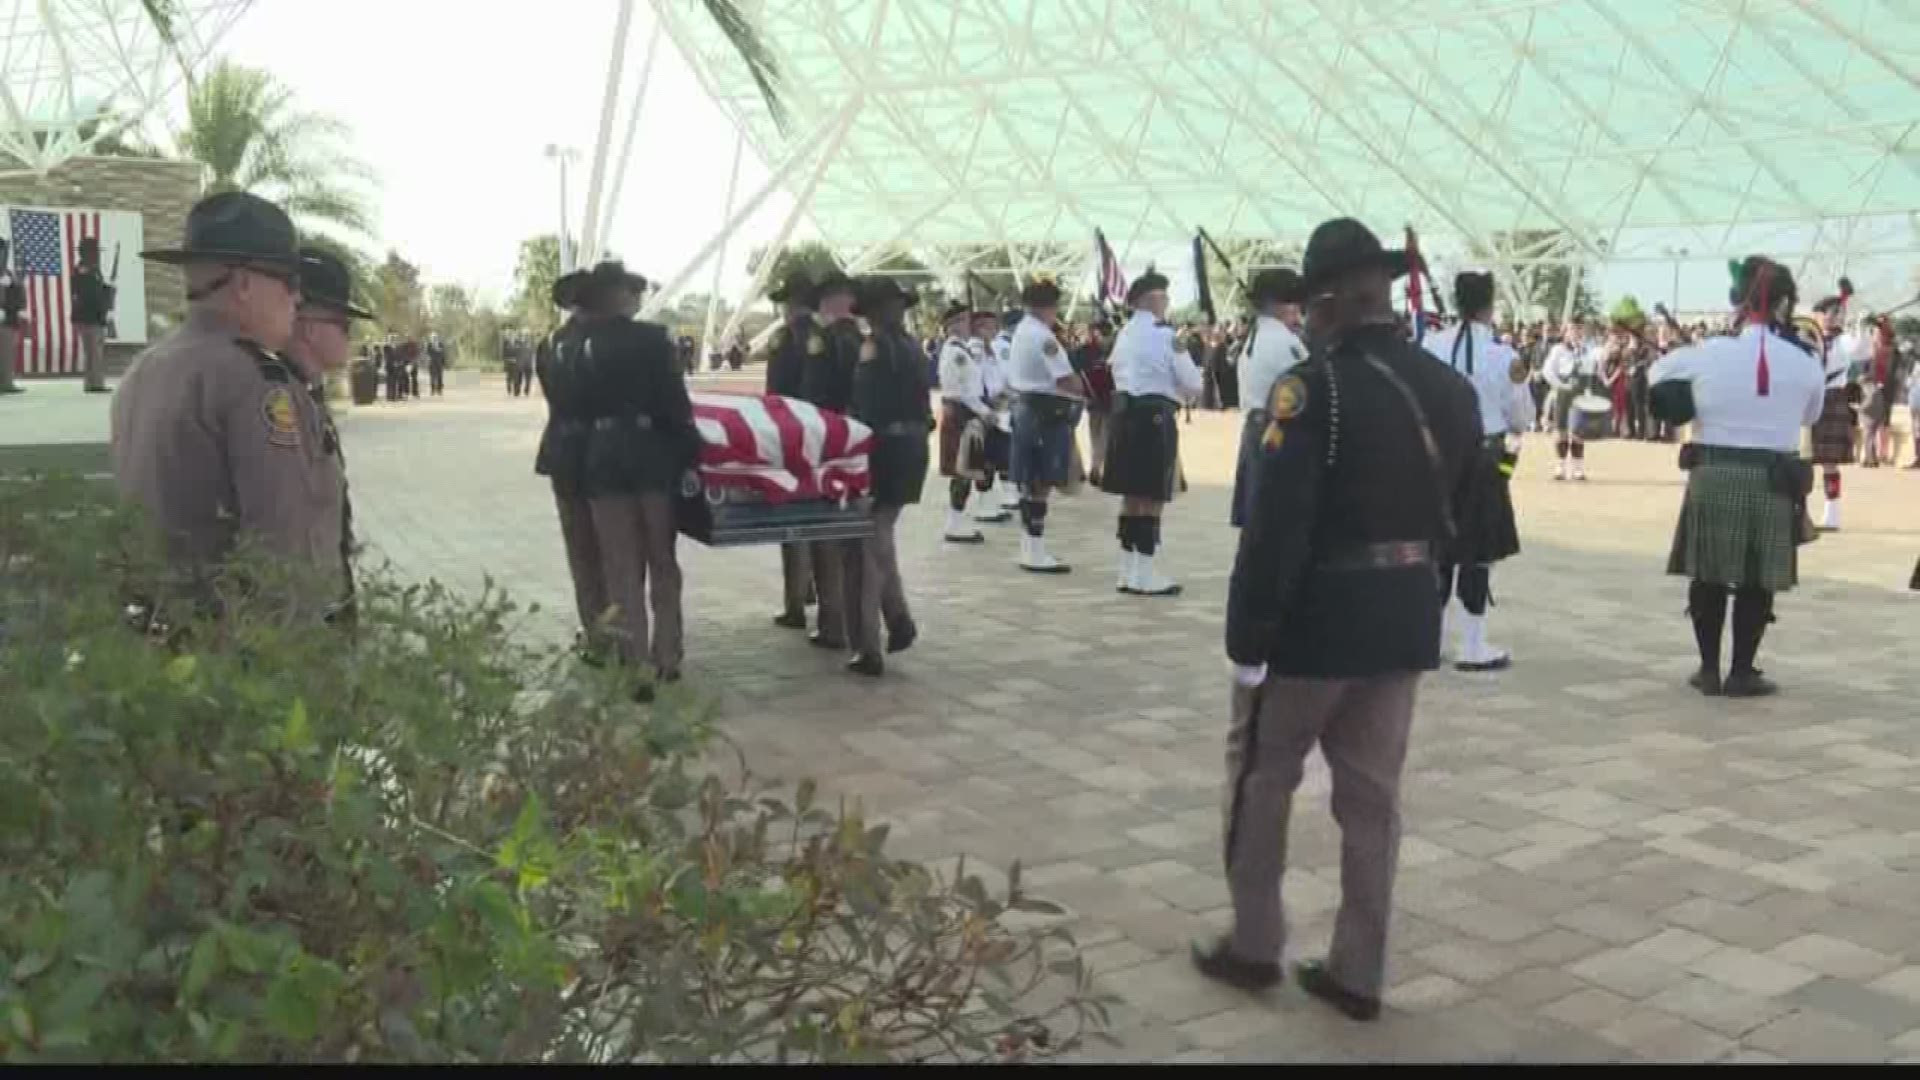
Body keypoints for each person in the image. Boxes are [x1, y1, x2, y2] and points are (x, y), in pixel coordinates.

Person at [1193, 218, 1479, 1023]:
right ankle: (1360, 969)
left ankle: (1255, 943)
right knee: (1372, 801)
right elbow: (1469, 515)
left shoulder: (1310, 390)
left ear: (1322, 306)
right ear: (1381, 295)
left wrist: (1246, 641)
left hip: (1314, 629)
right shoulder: (1448, 389)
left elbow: (1275, 529)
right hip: (1403, 622)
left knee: (1262, 777)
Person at [108, 191, 348, 617]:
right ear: (243, 284)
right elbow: (284, 542)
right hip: (236, 650)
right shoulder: (254, 380)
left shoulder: (145, 368)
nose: (296, 298)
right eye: (289, 282)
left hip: (159, 632)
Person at [1650, 256, 1823, 698]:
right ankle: (1741, 671)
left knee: (1707, 575)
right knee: (1755, 579)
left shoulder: (1704, 354)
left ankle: (1708, 669)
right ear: (1784, 304)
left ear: (1738, 301)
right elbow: (1811, 414)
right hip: (1772, 479)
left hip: (1712, 473)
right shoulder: (1805, 362)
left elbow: (1656, 376)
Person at [569, 261, 697, 698]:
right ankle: (668, 655)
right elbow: (674, 403)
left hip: (603, 460)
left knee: (621, 568)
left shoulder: (579, 346)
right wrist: (690, 455)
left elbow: (577, 407)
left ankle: (636, 664)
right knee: (662, 560)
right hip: (650, 458)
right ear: (624, 296)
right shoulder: (652, 339)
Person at [1422, 271, 1530, 671]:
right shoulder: (1504, 356)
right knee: (1477, 551)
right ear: (1490, 303)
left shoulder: (1430, 345)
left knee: (1438, 551)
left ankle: (1428, 642)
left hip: (1436, 458)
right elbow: (1521, 415)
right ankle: (1472, 644)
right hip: (1486, 458)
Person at [281, 245, 375, 621]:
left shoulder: (305, 389)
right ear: (308, 325)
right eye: (344, 324)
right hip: (307, 605)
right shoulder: (280, 397)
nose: (350, 337)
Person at [844, 277, 930, 677]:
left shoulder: (873, 348)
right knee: (882, 533)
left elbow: (866, 408)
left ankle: (879, 634)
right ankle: (896, 620)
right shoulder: (914, 347)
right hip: (913, 447)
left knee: (872, 537)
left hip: (884, 449)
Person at [1102, 270, 1203, 596]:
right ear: (1155, 300)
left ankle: (1127, 569)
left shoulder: (1124, 334)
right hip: (1154, 418)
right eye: (1166, 297)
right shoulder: (1164, 335)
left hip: (1123, 417)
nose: (1168, 304)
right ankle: (1145, 573)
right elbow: (1193, 383)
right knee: (1152, 496)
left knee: (1131, 496)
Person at [798, 269, 862, 650]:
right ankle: (874, 619)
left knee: (828, 535)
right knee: (861, 538)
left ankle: (834, 621)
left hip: (830, 444)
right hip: (858, 443)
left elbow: (813, 396)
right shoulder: (863, 338)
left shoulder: (824, 340)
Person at [759, 269, 824, 629]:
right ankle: (816, 585)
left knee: (792, 523)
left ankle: (795, 601)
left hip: (792, 435)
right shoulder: (824, 335)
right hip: (823, 435)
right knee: (820, 517)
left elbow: (775, 395)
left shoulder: (784, 339)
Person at [1005, 278, 1083, 573]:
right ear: (1049, 307)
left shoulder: (1023, 330)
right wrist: (1088, 389)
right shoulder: (1043, 337)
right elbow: (1065, 379)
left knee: (1031, 482)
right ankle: (1034, 549)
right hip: (1045, 412)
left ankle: (1029, 546)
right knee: (1041, 482)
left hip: (1027, 408)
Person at [1231, 269, 1309, 528]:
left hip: (1256, 427)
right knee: (1280, 519)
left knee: (1261, 519)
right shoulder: (1285, 342)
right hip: (1278, 430)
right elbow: (1305, 387)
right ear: (1281, 305)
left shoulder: (1258, 335)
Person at [935, 300, 991, 543]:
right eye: (965, 320)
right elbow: (958, 390)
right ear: (953, 324)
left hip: (966, 412)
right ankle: (954, 523)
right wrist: (983, 410)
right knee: (962, 469)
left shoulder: (962, 350)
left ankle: (958, 520)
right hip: (961, 413)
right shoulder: (955, 352)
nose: (970, 325)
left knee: (967, 468)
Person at [1807, 292, 1857, 530]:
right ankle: (1800, 512)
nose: (1831, 317)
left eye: (1836, 313)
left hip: (1832, 397)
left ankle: (1832, 513)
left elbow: (1858, 350)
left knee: (1830, 462)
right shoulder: (1806, 338)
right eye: (1827, 313)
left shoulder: (1845, 340)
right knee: (1802, 459)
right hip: (1807, 398)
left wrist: (1861, 325)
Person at [1542, 321, 1593, 480]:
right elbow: (1547, 371)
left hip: (1580, 393)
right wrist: (1560, 385)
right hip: (1563, 392)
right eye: (1573, 330)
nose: (1577, 333)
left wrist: (1589, 390)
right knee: (1561, 430)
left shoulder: (1586, 350)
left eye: (1580, 330)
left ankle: (1578, 468)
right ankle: (1561, 467)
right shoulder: (1558, 350)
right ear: (1566, 332)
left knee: (1578, 431)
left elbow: (1590, 371)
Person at [73, 236, 114, 392]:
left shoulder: (93, 269)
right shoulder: (83, 269)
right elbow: (88, 293)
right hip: (88, 316)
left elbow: (97, 290)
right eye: (93, 252)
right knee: (93, 352)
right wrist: (103, 309)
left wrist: (107, 287)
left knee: (94, 351)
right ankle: (95, 384)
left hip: (94, 315)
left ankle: (92, 382)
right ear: (86, 253)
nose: (96, 255)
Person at [0, 239, 24, 395]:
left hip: (9, 317)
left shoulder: (7, 273)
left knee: (7, 353)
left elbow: (18, 292)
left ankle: (6, 382)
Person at [426, 331, 448, 395]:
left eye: (435, 337)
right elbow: (427, 353)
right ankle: (432, 390)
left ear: (437, 337)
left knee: (440, 377)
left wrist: (444, 363)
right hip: (432, 363)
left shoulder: (441, 344)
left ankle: (439, 390)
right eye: (433, 337)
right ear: (431, 338)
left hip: (439, 363)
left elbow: (443, 354)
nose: (434, 338)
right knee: (432, 377)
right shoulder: (429, 345)